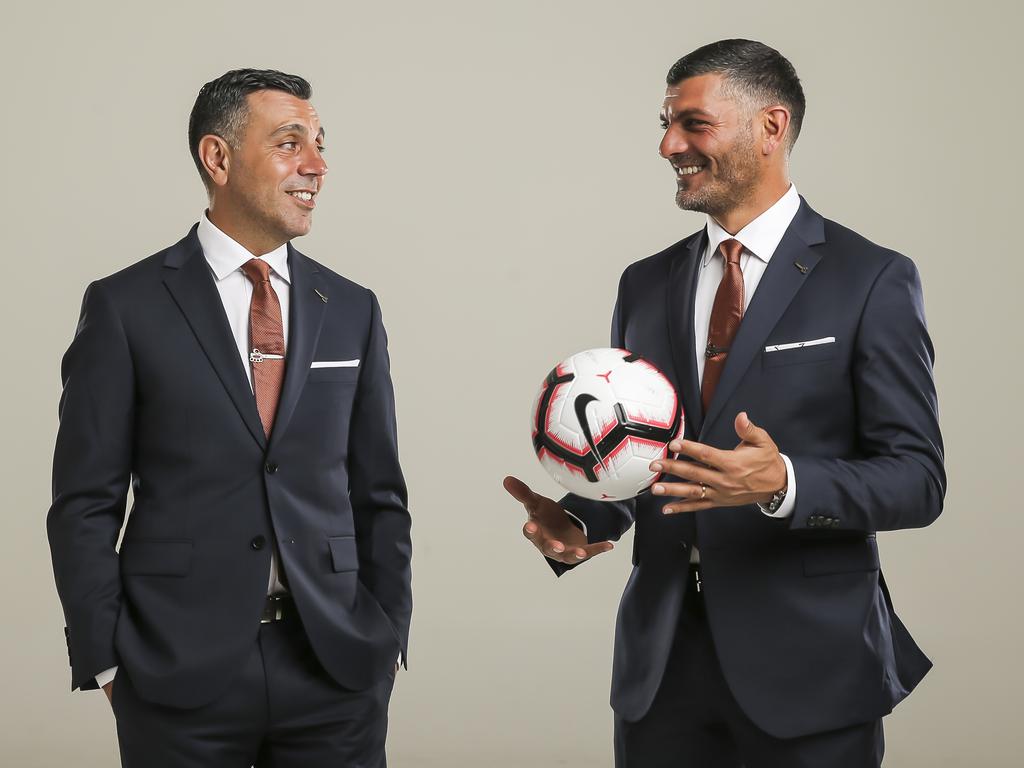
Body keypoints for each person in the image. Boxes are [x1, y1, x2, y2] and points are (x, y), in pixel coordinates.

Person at [505, 39, 945, 767]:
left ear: (770, 127)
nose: (667, 144)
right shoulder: (644, 284)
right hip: (661, 672)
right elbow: (648, 462)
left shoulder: (871, 279)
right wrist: (584, 517)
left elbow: (918, 480)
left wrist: (785, 483)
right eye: (665, 123)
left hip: (813, 670)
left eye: (692, 124)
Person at [47, 69, 411, 767]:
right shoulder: (126, 307)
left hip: (335, 667)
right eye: (289, 142)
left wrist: (387, 636)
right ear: (218, 158)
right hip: (174, 672)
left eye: (320, 144)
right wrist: (106, 660)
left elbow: (380, 493)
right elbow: (84, 502)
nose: (316, 165)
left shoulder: (353, 308)